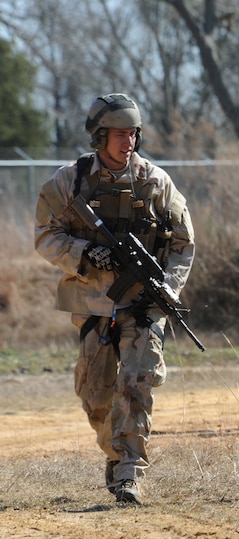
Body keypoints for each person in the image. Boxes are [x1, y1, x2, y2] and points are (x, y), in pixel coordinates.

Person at [34, 93, 195, 504]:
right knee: (96, 398)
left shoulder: (155, 182)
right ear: (100, 136)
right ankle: (114, 450)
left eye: (133, 134)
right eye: (120, 134)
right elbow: (45, 235)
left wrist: (169, 288)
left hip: (143, 305)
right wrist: (83, 253)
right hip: (93, 303)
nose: (128, 142)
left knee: (136, 385)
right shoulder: (69, 182)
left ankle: (130, 472)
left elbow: (182, 243)